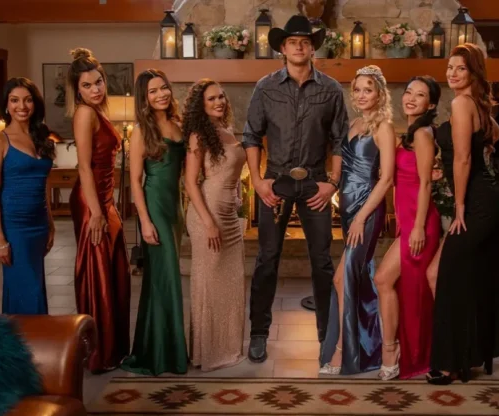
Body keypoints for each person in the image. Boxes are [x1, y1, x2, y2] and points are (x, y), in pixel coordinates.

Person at [243, 14, 348, 363]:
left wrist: (332, 183)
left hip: (315, 184)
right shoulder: (266, 87)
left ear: (313, 47)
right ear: (283, 48)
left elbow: (341, 141)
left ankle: (326, 335)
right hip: (276, 182)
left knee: (322, 261)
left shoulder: (331, 89)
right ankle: (259, 333)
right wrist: (258, 181)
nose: (299, 47)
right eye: (292, 42)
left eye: (305, 41)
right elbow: (251, 136)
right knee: (267, 259)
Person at [426, 43, 499, 385]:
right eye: (450, 67)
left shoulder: (462, 103)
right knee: (472, 275)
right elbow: (494, 136)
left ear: (474, 72)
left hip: (475, 203)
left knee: (450, 276)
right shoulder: (476, 104)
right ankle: (473, 353)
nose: (452, 74)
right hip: (486, 198)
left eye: (461, 68)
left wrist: (459, 205)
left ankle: (451, 362)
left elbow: (462, 159)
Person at [319, 65, 396, 376]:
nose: (362, 95)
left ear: (379, 94)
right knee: (357, 280)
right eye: (358, 90)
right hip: (348, 210)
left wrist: (362, 217)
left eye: (368, 89)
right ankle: (370, 348)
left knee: (343, 279)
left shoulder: (384, 127)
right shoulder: (353, 123)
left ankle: (343, 351)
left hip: (366, 211)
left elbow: (386, 178)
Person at [374, 76, 443, 381]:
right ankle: (401, 349)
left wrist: (417, 228)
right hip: (409, 220)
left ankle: (398, 352)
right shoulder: (410, 134)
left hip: (421, 223)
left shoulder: (424, 135)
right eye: (409, 92)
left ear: (431, 104)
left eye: (420, 95)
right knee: (403, 288)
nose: (411, 98)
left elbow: (426, 183)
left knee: (386, 280)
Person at [67, 47, 130, 373]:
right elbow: (84, 167)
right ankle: (98, 354)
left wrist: (107, 206)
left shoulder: (98, 112)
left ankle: (113, 349)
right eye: (87, 85)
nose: (95, 89)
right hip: (92, 201)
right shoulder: (84, 113)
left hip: (105, 200)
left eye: (99, 82)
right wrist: (96, 212)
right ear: (77, 90)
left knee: (114, 271)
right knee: (98, 274)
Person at [120, 69, 188, 376]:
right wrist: (145, 222)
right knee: (167, 277)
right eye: (153, 91)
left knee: (164, 278)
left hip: (174, 207)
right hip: (155, 206)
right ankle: (161, 355)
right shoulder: (140, 131)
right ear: (144, 98)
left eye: (164, 88)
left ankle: (165, 349)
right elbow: (135, 181)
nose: (161, 94)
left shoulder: (177, 124)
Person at [184, 78, 246, 371]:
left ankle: (228, 348)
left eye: (221, 96)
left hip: (229, 215)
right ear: (201, 105)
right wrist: (209, 223)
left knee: (231, 282)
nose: (219, 102)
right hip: (207, 213)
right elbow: (190, 183)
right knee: (208, 283)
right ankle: (206, 352)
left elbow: (230, 172)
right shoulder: (198, 135)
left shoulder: (227, 130)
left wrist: (238, 193)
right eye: (211, 99)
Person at [0, 77, 56, 315]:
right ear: (6, 105)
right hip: (15, 228)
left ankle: (37, 335)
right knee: (27, 290)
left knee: (36, 287)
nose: (22, 106)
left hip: (39, 225)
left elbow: (43, 186)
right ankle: (22, 336)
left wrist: (50, 223)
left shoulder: (41, 139)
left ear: (35, 103)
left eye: (27, 100)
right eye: (14, 100)